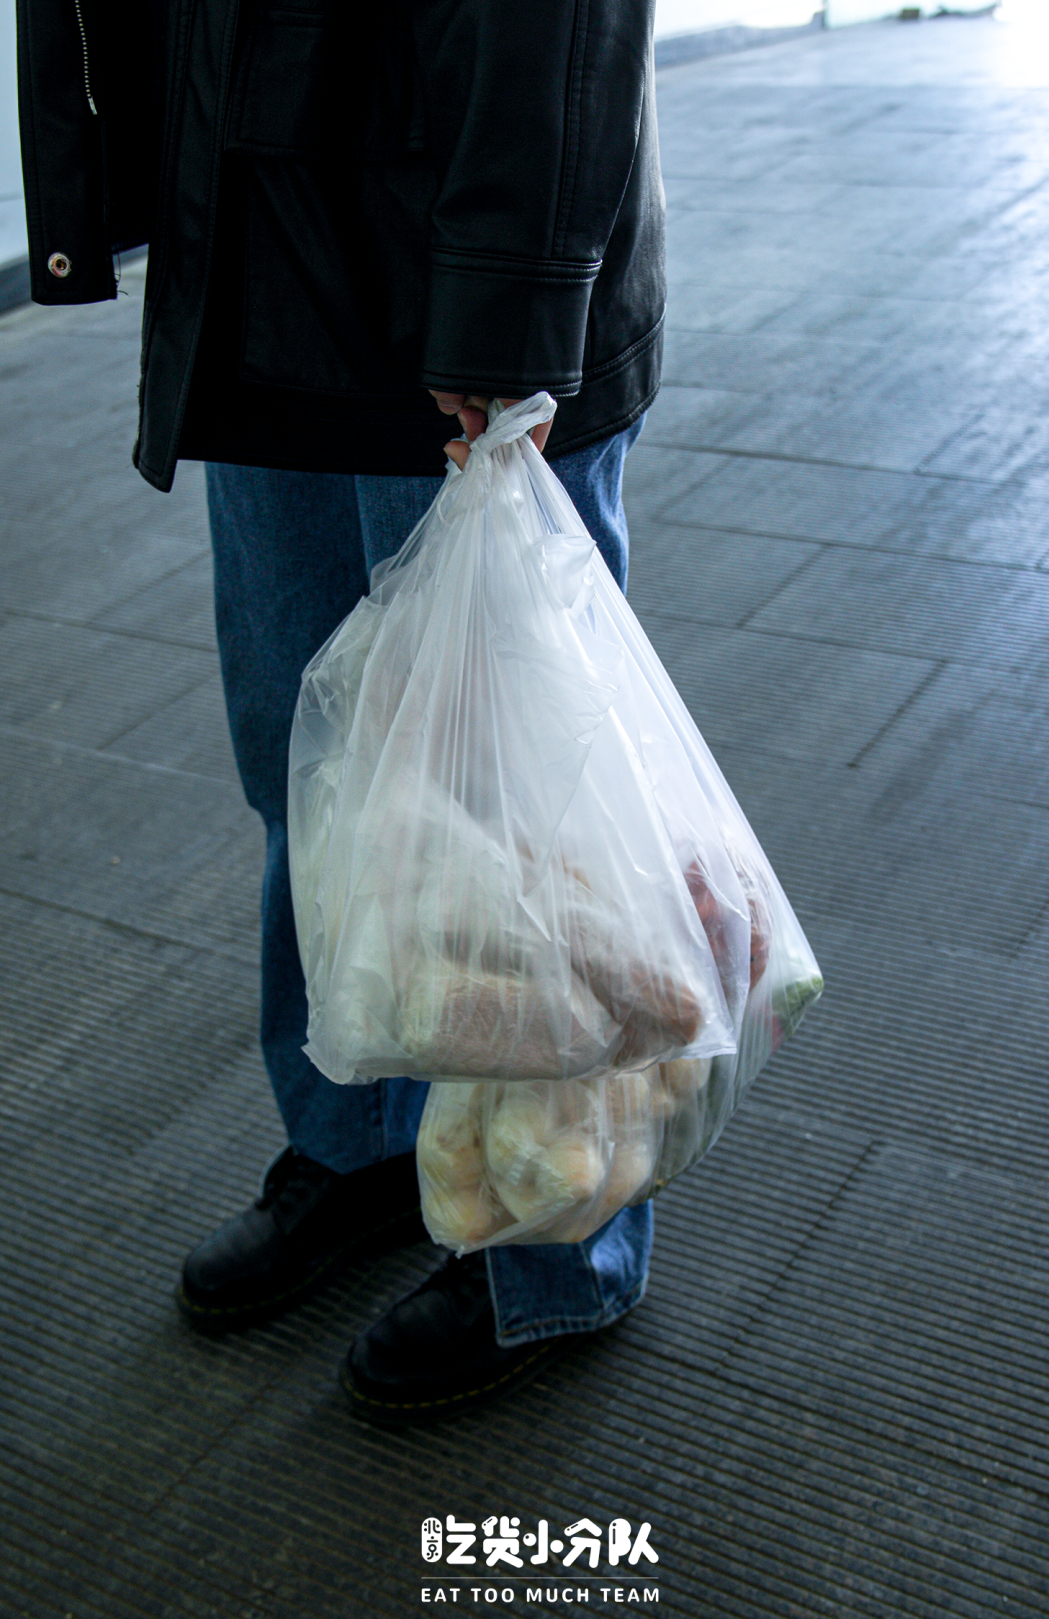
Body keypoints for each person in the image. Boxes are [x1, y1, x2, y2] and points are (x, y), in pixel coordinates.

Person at [17, 0, 666, 1423]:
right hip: (257, 241)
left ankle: (550, 1243)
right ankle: (358, 1138)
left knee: (514, 814)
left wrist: (509, 289)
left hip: (457, 241)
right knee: (305, 769)